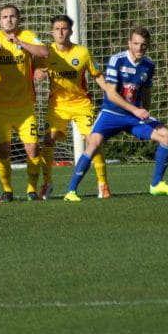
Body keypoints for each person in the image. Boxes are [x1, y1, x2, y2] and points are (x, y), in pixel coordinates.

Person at [63, 27, 168, 201]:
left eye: (144, 45)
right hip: (112, 113)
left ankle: (156, 184)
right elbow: (111, 93)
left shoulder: (149, 65)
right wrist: (135, 110)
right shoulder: (117, 60)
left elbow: (146, 91)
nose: (140, 48)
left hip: (133, 118)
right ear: (129, 43)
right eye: (136, 44)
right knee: (93, 143)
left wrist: (145, 111)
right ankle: (71, 191)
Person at [0, 4, 49, 201]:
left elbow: (44, 52)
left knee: (32, 148)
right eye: (5, 17)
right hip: (0, 108)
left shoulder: (27, 35)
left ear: (19, 19)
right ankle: (7, 190)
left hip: (25, 107)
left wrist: (22, 44)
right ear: (0, 21)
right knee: (3, 150)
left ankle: (31, 189)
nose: (9, 20)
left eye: (12, 16)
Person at [33, 15, 111, 200]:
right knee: (48, 140)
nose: (61, 32)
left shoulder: (82, 52)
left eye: (64, 28)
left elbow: (97, 75)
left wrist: (110, 93)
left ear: (70, 31)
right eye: (57, 29)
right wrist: (36, 72)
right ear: (52, 32)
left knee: (94, 141)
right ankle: (47, 183)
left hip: (82, 104)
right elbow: (33, 69)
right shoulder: (46, 53)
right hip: (57, 105)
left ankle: (103, 184)